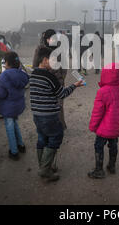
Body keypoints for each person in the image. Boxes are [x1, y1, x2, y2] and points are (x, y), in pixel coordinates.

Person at [30, 46, 84, 182]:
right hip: (49, 116)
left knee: (42, 139)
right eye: (52, 60)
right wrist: (75, 85)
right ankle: (45, 169)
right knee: (55, 137)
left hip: (37, 115)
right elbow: (62, 94)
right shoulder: (50, 77)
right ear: (44, 60)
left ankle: (43, 165)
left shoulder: (33, 74)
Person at [88, 63, 119, 179]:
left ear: (105, 75)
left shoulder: (102, 92)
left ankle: (98, 170)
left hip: (104, 128)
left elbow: (97, 112)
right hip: (116, 127)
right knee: (113, 144)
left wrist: (93, 127)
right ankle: (112, 166)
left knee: (98, 145)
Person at [0, 51, 29, 161]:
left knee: (9, 127)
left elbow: (1, 94)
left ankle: (14, 151)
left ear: (7, 63)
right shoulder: (22, 73)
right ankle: (21, 145)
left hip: (8, 106)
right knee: (15, 123)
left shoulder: (4, 76)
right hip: (18, 105)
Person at [33, 29, 68, 130]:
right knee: (46, 105)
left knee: (59, 105)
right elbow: (35, 64)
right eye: (50, 38)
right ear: (46, 39)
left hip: (58, 81)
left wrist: (61, 77)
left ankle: (61, 126)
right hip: (44, 81)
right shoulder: (40, 49)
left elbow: (64, 66)